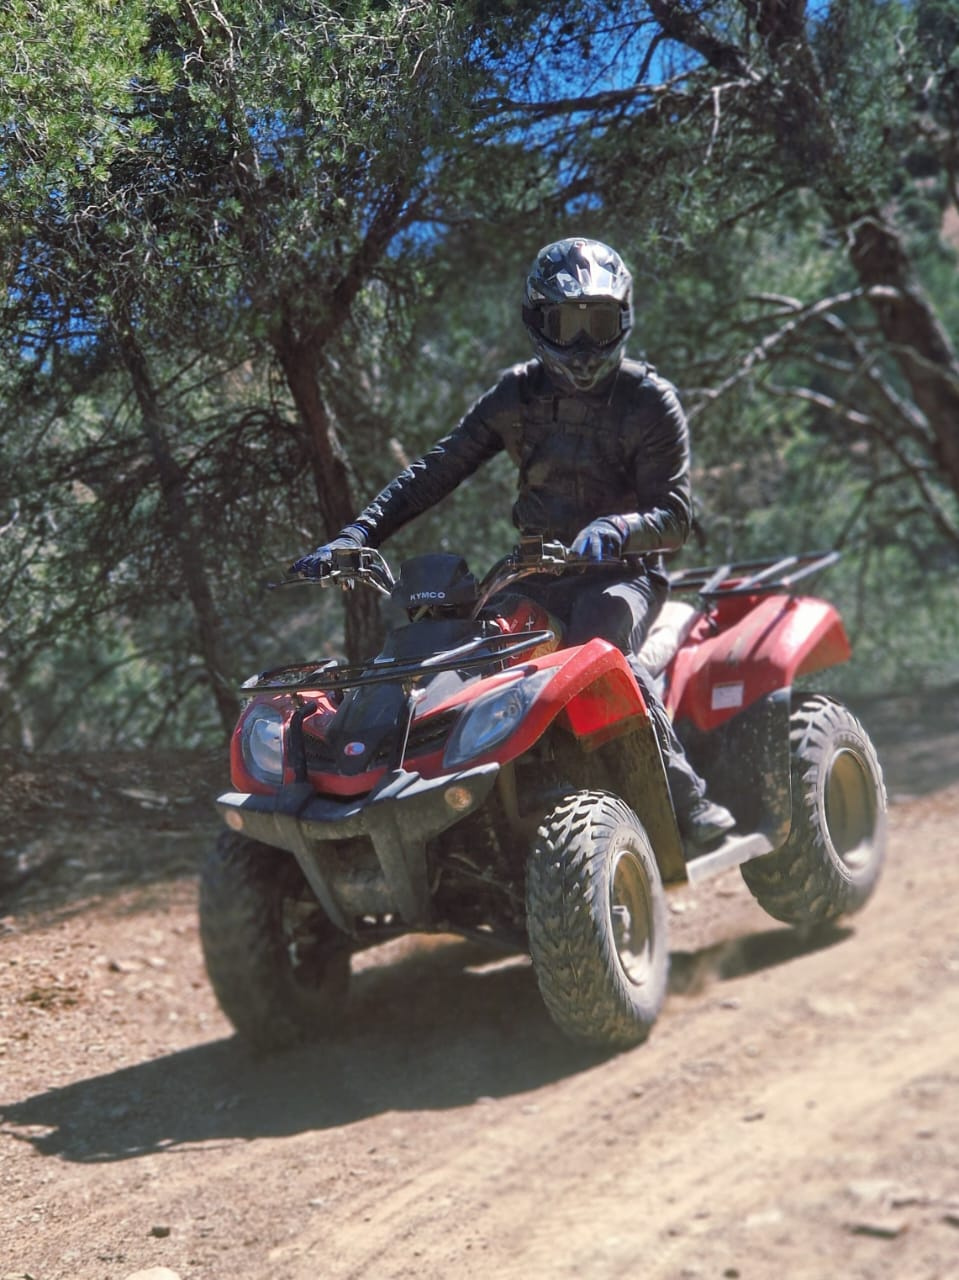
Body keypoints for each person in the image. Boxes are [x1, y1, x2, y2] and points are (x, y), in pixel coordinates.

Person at [292, 237, 736, 851]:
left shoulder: (649, 400)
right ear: (538, 323)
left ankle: (688, 801)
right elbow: (435, 471)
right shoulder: (516, 395)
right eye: (568, 323)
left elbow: (676, 516)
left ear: (623, 320)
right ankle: (465, 818)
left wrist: (615, 530)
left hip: (623, 576)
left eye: (598, 322)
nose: (584, 343)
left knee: (597, 646)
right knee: (467, 659)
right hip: (536, 569)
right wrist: (357, 532)